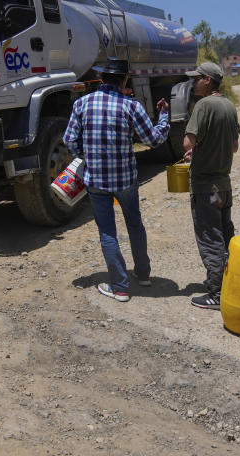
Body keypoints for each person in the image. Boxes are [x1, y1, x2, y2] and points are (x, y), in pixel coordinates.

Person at [63, 57, 170, 303]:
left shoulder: (82, 104)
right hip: (126, 180)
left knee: (107, 233)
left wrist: (85, 154)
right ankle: (143, 275)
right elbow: (152, 140)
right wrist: (163, 117)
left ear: (101, 79)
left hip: (96, 181)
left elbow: (69, 141)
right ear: (124, 80)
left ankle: (120, 287)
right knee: (135, 225)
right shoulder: (131, 106)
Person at [183, 61, 240, 310]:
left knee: (210, 239)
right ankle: (235, 283)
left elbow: (188, 142)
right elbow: (235, 146)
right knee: (226, 236)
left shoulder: (203, 105)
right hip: (224, 185)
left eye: (197, 78)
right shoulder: (229, 105)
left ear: (208, 80)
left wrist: (192, 151)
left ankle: (217, 294)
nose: (193, 82)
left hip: (205, 186)